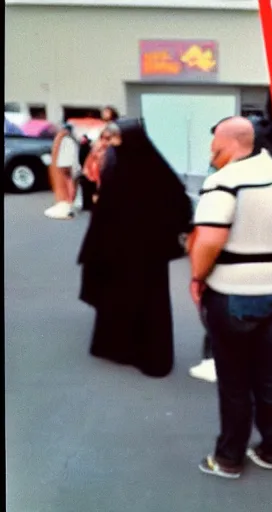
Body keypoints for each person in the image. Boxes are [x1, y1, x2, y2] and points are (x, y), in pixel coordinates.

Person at [189, 116, 272, 479]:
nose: (211, 150)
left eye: (215, 142)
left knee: (234, 381)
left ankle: (229, 457)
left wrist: (196, 277)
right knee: (269, 373)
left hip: (233, 294)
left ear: (233, 143)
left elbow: (209, 240)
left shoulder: (223, 182)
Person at [77, 118, 193, 378]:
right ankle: (118, 350)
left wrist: (161, 237)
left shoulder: (153, 169)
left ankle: (146, 356)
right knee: (117, 299)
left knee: (147, 304)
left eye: (117, 140)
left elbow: (179, 206)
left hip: (146, 254)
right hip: (119, 251)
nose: (113, 145)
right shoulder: (116, 165)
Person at [44, 123, 81, 220]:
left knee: (72, 189)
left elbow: (67, 159)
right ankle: (70, 206)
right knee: (72, 189)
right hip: (69, 169)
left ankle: (70, 206)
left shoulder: (64, 140)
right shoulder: (67, 140)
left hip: (68, 169)